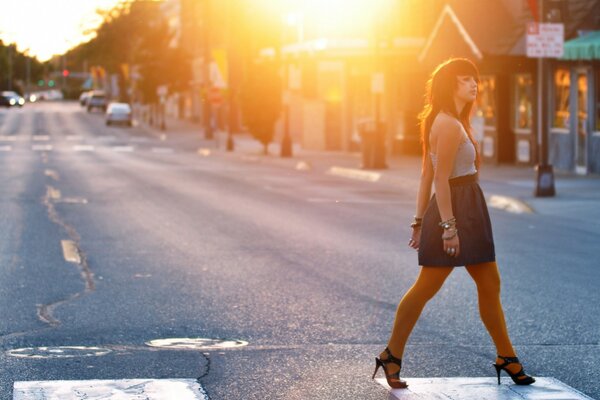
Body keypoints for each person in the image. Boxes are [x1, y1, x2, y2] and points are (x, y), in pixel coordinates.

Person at [372, 58, 535, 388]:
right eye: (465, 80)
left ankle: (507, 356)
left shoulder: (452, 120)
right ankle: (391, 354)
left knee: (490, 284)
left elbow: (426, 175)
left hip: (467, 208)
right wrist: (448, 227)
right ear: (451, 85)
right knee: (425, 288)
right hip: (456, 210)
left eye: (475, 79)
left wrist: (418, 221)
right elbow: (439, 180)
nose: (474, 85)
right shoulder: (447, 124)